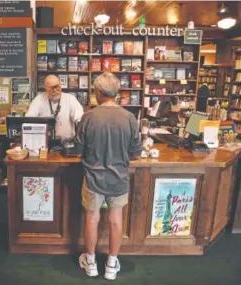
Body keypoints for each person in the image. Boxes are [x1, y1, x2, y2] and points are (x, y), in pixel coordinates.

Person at [75, 72, 142, 280]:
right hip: (119, 178)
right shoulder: (130, 118)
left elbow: (78, 149)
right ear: (117, 93)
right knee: (115, 220)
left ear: (97, 92)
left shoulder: (88, 117)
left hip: (93, 178)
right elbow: (135, 153)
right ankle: (112, 265)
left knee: (92, 219)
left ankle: (91, 262)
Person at [26, 75, 84, 141]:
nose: (55, 90)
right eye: (52, 88)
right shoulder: (38, 100)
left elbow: (80, 120)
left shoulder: (70, 99)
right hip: (45, 143)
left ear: (60, 85)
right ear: (45, 88)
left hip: (67, 143)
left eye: (57, 86)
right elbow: (28, 120)